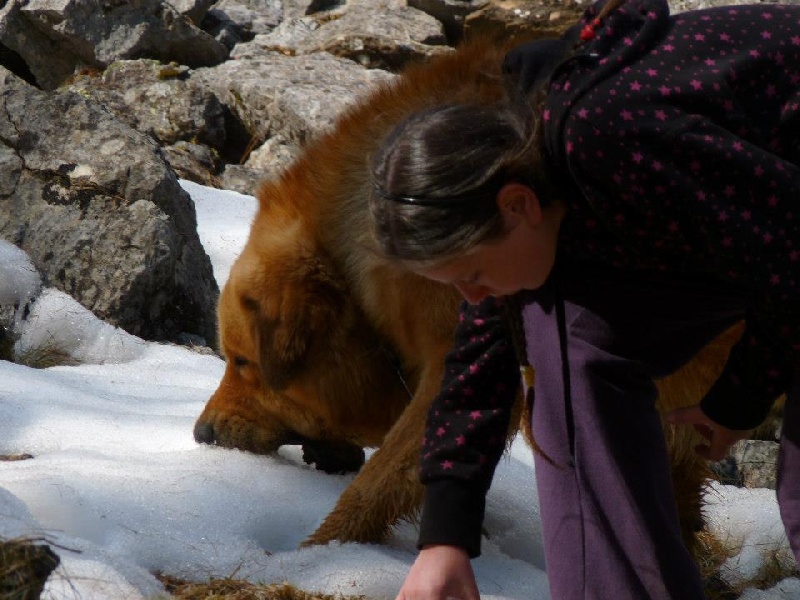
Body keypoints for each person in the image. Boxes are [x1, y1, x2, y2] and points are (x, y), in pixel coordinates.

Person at [367, 0, 800, 597]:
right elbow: (478, 368)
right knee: (564, 340)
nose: (473, 297)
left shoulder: (612, 136)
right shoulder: (531, 189)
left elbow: (796, 258)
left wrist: (737, 399)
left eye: (472, 272)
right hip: (755, 222)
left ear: (517, 205)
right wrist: (446, 537)